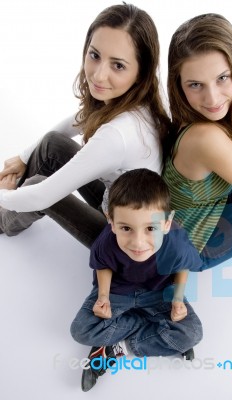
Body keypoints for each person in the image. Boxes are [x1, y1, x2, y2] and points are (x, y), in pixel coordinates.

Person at [0, 3, 170, 248]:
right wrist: (23, 157)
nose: (99, 75)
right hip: (116, 200)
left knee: (36, 186)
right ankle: (13, 196)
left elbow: (43, 195)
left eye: (118, 65)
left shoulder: (119, 134)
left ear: (141, 71)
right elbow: (80, 119)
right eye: (95, 55)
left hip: (122, 238)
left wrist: (5, 195)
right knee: (52, 143)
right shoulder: (143, 92)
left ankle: (4, 218)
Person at [70, 168, 203, 391]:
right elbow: (103, 265)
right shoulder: (106, 242)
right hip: (118, 291)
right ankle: (158, 330)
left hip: (159, 293)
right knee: (80, 330)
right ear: (111, 221)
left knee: (193, 334)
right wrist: (103, 296)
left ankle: (116, 346)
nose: (138, 243)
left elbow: (183, 267)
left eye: (151, 228)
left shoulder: (178, 243)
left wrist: (178, 300)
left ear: (167, 223)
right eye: (126, 228)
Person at [162, 13, 232, 269]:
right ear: (179, 86)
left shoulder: (228, 103)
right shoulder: (204, 138)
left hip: (216, 199)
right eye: (196, 84)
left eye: (222, 78)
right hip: (200, 242)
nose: (212, 98)